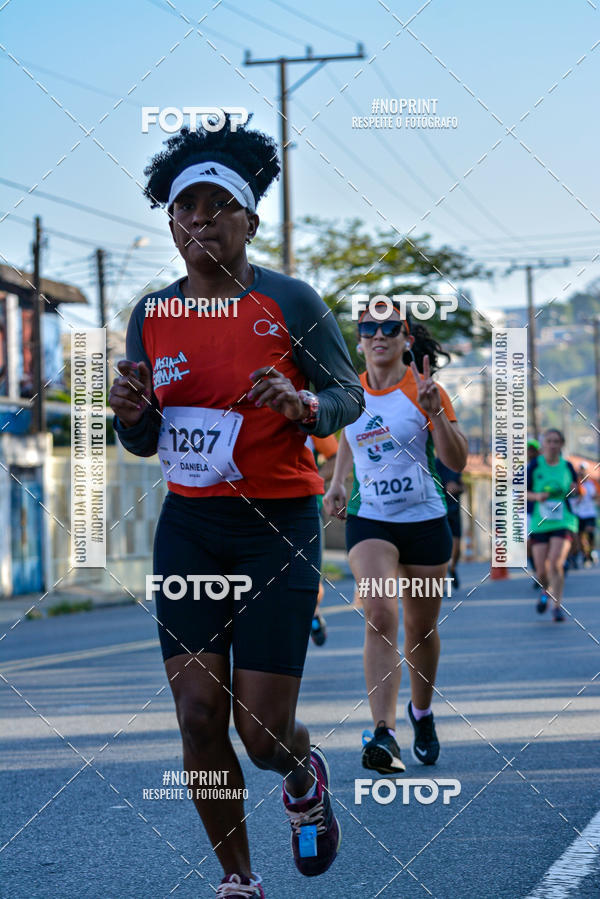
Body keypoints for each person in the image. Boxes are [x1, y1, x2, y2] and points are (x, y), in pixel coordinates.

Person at [108, 120, 364, 898]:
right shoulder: (151, 312)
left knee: (259, 735)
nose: (199, 222)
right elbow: (145, 438)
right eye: (185, 210)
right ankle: (238, 877)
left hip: (276, 529)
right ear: (171, 222)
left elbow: (348, 395)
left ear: (249, 219)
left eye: (218, 207)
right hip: (190, 528)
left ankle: (302, 774)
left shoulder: (289, 299)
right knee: (195, 714)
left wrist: (302, 402)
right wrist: (128, 412)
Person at [324, 301, 468, 773]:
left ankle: (420, 713)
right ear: (360, 339)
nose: (378, 334)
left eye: (390, 328)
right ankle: (384, 734)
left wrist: (437, 415)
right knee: (380, 611)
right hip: (372, 520)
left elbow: (457, 459)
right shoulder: (349, 391)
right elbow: (348, 434)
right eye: (369, 327)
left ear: (406, 339)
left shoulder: (425, 390)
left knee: (420, 630)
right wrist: (339, 481)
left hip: (426, 522)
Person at [527, 429, 580, 621]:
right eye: (549, 441)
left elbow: (576, 490)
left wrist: (575, 490)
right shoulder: (535, 466)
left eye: (556, 441)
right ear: (543, 444)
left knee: (556, 562)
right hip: (540, 522)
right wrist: (537, 496)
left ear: (561, 444)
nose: (552, 444)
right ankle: (545, 591)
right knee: (541, 570)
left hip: (563, 520)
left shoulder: (567, 466)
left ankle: (557, 606)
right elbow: (522, 492)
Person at [306, 434, 339, 646]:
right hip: (261, 511)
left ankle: (313, 614)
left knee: (311, 582)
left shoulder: (307, 412)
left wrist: (309, 477)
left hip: (306, 507)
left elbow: (336, 459)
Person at [434, 458, 464, 590]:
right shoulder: (433, 464)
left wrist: (457, 488)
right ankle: (442, 582)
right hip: (439, 512)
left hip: (454, 511)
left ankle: (453, 568)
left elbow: (463, 486)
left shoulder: (455, 464)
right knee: (441, 548)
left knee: (456, 548)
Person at [572, 463, 597, 567]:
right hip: (579, 513)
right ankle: (585, 555)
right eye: (580, 470)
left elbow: (597, 496)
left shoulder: (592, 484)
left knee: (589, 533)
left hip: (590, 513)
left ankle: (590, 552)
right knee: (581, 537)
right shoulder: (576, 484)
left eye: (583, 470)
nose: (582, 472)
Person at [526, 438, 541, 588]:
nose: (530, 452)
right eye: (528, 449)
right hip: (529, 512)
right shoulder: (524, 469)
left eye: (532, 449)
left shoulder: (543, 466)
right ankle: (538, 572)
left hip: (545, 512)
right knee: (530, 545)